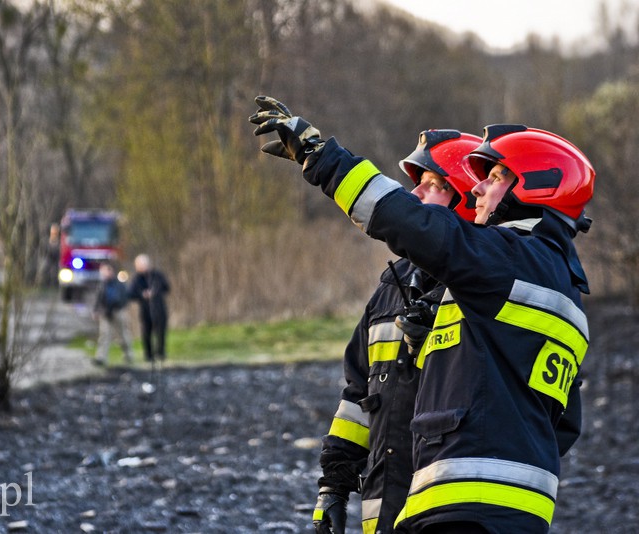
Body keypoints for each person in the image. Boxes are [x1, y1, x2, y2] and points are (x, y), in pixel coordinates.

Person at [250, 96, 594, 533]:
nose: (478, 188)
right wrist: (335, 484)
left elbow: (412, 223)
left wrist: (321, 158)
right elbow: (557, 423)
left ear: (537, 185)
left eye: (494, 177)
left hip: (466, 505)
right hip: (488, 509)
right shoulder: (549, 282)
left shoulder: (505, 262)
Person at [313, 130, 483, 534]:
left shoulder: (482, 290)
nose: (417, 195)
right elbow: (358, 397)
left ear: (463, 201)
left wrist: (434, 346)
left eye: (435, 185)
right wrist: (333, 487)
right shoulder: (390, 289)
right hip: (383, 515)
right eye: (417, 183)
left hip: (449, 514)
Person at [128, 254, 170, 362]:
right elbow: (131, 294)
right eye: (138, 265)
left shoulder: (157, 275)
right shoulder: (137, 279)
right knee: (146, 332)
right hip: (145, 309)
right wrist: (142, 295)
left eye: (143, 265)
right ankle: (148, 355)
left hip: (159, 307)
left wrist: (155, 292)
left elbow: (166, 287)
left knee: (161, 331)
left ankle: (160, 353)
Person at [92, 262, 134, 366]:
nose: (103, 273)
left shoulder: (119, 284)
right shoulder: (102, 285)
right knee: (104, 335)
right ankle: (101, 358)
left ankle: (128, 355)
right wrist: (96, 310)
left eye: (105, 270)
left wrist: (120, 307)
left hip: (118, 311)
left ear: (111, 271)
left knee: (123, 335)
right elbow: (98, 299)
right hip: (105, 313)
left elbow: (125, 298)